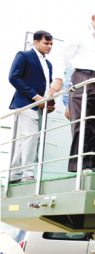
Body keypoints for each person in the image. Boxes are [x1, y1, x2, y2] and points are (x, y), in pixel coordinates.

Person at [49, 8, 95, 173]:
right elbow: (61, 56)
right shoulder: (80, 32)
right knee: (83, 124)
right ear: (93, 18)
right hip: (83, 78)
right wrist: (58, 78)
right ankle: (80, 166)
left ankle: (94, 166)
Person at [8, 30, 54, 183]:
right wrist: (36, 97)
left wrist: (48, 102)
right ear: (35, 42)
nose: (49, 46)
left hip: (40, 106)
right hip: (26, 102)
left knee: (25, 139)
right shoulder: (23, 55)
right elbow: (13, 77)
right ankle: (27, 173)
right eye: (46, 43)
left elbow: (47, 85)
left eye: (51, 44)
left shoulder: (48, 64)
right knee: (31, 136)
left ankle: (13, 175)